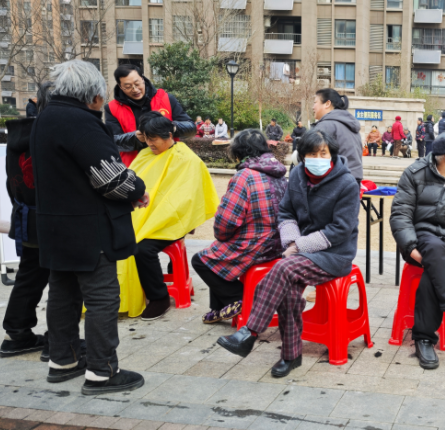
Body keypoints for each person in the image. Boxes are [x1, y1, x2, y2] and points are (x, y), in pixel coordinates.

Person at [31, 60, 148, 394]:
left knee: (63, 293)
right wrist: (138, 190)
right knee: (102, 297)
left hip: (55, 226)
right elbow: (110, 179)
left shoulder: (45, 118)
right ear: (93, 96)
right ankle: (102, 371)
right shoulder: (81, 122)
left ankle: (63, 360)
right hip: (88, 228)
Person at [216, 129, 360, 378]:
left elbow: (341, 230)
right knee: (290, 292)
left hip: (334, 254)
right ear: (302, 156)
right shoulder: (297, 175)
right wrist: (292, 241)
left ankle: (250, 331)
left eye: (323, 153)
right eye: (311, 154)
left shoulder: (346, 183)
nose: (317, 158)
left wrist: (298, 247)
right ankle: (291, 356)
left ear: (332, 155)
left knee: (282, 268)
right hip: (300, 251)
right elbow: (285, 212)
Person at [390, 130, 445, 369]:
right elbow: (400, 215)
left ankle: (423, 338)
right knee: (433, 247)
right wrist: (411, 248)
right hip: (419, 242)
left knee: (437, 260)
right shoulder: (415, 174)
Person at [122, 112, 219, 320]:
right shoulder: (145, 155)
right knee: (117, 239)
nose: (150, 143)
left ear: (168, 135)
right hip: (145, 218)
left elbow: (185, 200)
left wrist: (157, 218)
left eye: (154, 138)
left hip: (171, 222)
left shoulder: (187, 159)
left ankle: (159, 298)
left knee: (142, 249)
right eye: (146, 138)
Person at [192, 129, 287, 324]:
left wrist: (222, 236)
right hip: (280, 245)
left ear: (238, 152)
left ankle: (239, 298)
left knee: (202, 260)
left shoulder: (245, 176)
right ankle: (218, 308)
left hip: (258, 247)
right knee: (217, 251)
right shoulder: (280, 174)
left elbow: (225, 223)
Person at [0, 82, 54, 359]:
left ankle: (16, 334)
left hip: (26, 216)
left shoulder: (18, 134)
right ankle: (61, 342)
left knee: (30, 275)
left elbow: (11, 182)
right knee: (65, 280)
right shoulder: (52, 134)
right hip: (54, 220)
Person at [104, 64, 195, 168]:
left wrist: (172, 127)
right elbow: (112, 141)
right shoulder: (112, 108)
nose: (135, 89)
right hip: (135, 168)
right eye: (128, 87)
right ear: (120, 86)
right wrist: (135, 138)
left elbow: (191, 128)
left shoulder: (166, 99)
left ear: (142, 79)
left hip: (169, 165)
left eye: (137, 83)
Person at [313, 88, 363, 182]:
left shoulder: (325, 125)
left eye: (315, 102)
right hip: (354, 179)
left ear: (327, 104)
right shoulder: (351, 124)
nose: (313, 107)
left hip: (335, 181)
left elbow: (310, 153)